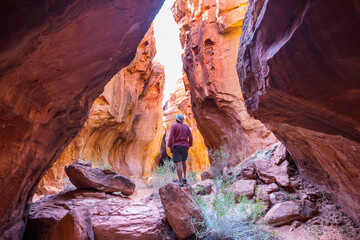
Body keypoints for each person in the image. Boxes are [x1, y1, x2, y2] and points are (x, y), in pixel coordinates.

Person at [168, 114, 193, 187]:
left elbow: (171, 137)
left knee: (178, 164)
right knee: (183, 162)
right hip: (185, 146)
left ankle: (180, 182)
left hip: (177, 146)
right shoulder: (186, 127)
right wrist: (189, 145)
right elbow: (190, 137)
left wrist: (170, 146)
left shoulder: (174, 126)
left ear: (177, 119)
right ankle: (184, 177)